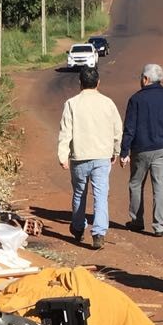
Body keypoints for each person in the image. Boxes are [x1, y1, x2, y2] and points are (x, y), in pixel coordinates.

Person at [58, 66, 122, 250]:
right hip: (102, 155)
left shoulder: (72, 103)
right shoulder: (108, 103)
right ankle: (99, 233)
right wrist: (116, 151)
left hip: (79, 156)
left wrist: (63, 155)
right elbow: (117, 130)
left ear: (80, 83)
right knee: (101, 195)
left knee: (79, 193)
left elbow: (65, 131)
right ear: (98, 83)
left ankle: (78, 228)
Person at [119, 63, 163, 237]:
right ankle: (159, 227)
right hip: (162, 149)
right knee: (160, 188)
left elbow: (129, 128)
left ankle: (136, 221)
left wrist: (124, 151)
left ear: (146, 79)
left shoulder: (136, 99)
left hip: (140, 150)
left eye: (142, 77)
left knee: (136, 184)